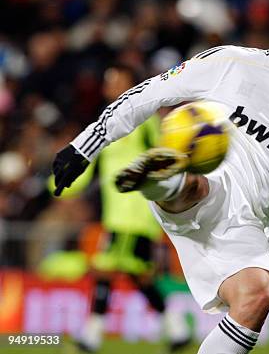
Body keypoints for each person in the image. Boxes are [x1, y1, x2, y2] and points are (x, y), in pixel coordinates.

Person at [52, 0, 269, 354]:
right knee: (203, 183)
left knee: (260, 294)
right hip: (206, 188)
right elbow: (150, 93)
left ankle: (166, 177)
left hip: (245, 228)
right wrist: (84, 146)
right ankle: (165, 178)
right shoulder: (231, 62)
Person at [51, 64, 189, 352]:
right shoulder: (105, 124)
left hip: (134, 215)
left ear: (131, 86)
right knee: (139, 277)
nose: (112, 84)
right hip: (118, 216)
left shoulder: (144, 122)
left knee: (104, 269)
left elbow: (161, 157)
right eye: (109, 79)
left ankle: (91, 336)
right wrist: (63, 183)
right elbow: (90, 165)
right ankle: (176, 330)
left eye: (118, 80)